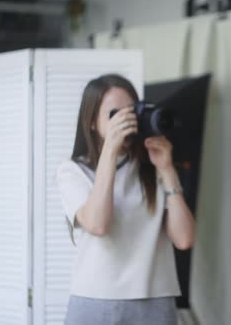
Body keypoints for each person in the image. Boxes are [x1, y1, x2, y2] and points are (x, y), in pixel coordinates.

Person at [56, 74, 195, 325]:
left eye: (130, 112)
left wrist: (166, 169)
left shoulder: (152, 167)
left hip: (155, 299)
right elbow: (99, 224)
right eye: (114, 114)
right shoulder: (72, 171)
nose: (126, 121)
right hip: (94, 300)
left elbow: (184, 239)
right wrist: (109, 151)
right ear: (91, 122)